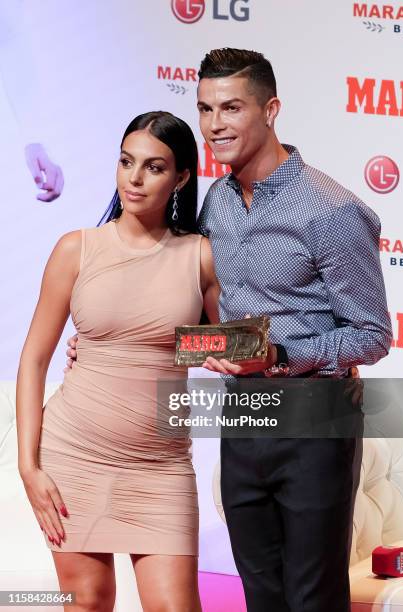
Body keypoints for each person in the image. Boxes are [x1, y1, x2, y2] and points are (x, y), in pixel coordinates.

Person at [194, 48, 393, 612]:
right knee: (260, 595)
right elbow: (210, 298)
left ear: (271, 109)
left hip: (315, 417)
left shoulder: (330, 210)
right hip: (244, 416)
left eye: (231, 107)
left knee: (311, 598)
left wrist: (281, 355)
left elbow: (373, 334)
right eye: (206, 109)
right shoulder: (217, 202)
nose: (215, 125)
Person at [16, 111, 220, 612]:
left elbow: (229, 350)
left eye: (154, 167)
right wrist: (29, 465)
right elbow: (34, 359)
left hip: (161, 467)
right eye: (127, 162)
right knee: (88, 600)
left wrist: (152, 349)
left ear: (182, 177)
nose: (134, 177)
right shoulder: (76, 249)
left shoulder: (200, 255)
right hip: (74, 456)